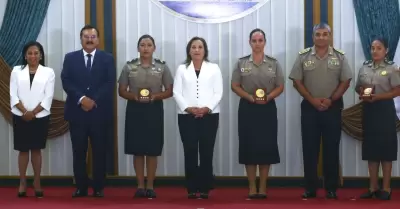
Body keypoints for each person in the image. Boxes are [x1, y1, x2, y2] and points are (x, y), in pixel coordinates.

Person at [288, 23, 352, 199]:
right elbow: (297, 81)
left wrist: (331, 100)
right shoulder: (303, 56)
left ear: (330, 36)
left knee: (331, 149)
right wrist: (313, 100)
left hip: (333, 108)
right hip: (310, 108)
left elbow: (346, 81)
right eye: (318, 34)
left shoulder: (339, 57)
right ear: (313, 36)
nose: (322, 37)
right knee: (309, 149)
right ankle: (310, 188)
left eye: (325, 34)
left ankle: (331, 188)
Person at [61, 25, 116, 198]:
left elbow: (109, 82)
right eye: (86, 36)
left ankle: (99, 187)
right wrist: (82, 99)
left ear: (98, 40)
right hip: (77, 113)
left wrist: (93, 101)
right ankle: (81, 187)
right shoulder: (70, 58)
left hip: (99, 113)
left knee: (100, 151)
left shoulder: (107, 58)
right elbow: (66, 81)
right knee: (79, 152)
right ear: (81, 39)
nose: (90, 39)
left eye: (93, 36)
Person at [118, 34, 173, 198]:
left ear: (154, 48)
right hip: (135, 109)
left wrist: (155, 97)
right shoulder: (129, 67)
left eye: (149, 45)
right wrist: (134, 97)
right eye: (142, 45)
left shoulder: (162, 67)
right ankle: (140, 186)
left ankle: (150, 186)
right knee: (137, 149)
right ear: (138, 48)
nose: (146, 48)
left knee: (152, 149)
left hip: (154, 109)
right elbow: (121, 90)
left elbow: (169, 90)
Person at [231, 28, 284, 199]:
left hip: (267, 108)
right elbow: (235, 85)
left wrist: (268, 97)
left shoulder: (273, 63)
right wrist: (249, 97)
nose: (257, 44)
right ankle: (252, 186)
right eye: (254, 41)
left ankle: (263, 186)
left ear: (265, 43)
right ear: (249, 43)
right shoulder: (241, 63)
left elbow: (280, 86)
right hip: (248, 108)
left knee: (265, 146)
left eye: (260, 40)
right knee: (249, 146)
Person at [173, 36, 223, 199]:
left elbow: (218, 92)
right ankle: (192, 188)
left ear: (205, 50)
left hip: (210, 116)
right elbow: (176, 92)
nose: (196, 50)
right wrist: (189, 108)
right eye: (193, 47)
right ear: (189, 50)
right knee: (190, 151)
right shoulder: (182, 69)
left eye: (200, 47)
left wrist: (206, 108)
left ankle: (205, 187)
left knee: (207, 151)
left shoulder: (214, 68)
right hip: (187, 116)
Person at [355, 37, 400, 200]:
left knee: (386, 150)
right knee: (371, 150)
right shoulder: (365, 67)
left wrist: (379, 97)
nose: (375, 51)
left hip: (385, 110)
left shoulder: (392, 68)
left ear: (386, 50)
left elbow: (397, 91)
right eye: (373, 48)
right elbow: (358, 87)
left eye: (379, 48)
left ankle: (386, 188)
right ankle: (373, 187)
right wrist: (362, 92)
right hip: (369, 110)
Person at [10, 41, 55, 198]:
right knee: (23, 150)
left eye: (36, 53)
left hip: (40, 116)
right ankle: (22, 182)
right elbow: (13, 95)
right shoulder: (16, 71)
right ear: (25, 55)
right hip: (20, 116)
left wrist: (33, 112)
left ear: (41, 55)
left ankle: (37, 182)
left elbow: (48, 96)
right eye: (30, 53)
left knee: (36, 150)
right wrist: (24, 112)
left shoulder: (48, 72)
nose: (33, 56)